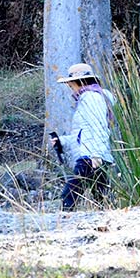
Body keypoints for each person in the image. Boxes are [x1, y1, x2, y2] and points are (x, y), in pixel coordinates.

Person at [50, 62, 115, 211]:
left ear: (77, 82)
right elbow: (81, 133)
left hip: (90, 155)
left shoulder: (91, 98)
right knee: (101, 196)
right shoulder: (90, 98)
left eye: (71, 83)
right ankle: (108, 217)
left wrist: (96, 155)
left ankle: (65, 218)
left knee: (71, 193)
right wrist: (62, 141)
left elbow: (98, 127)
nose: (70, 87)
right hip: (93, 154)